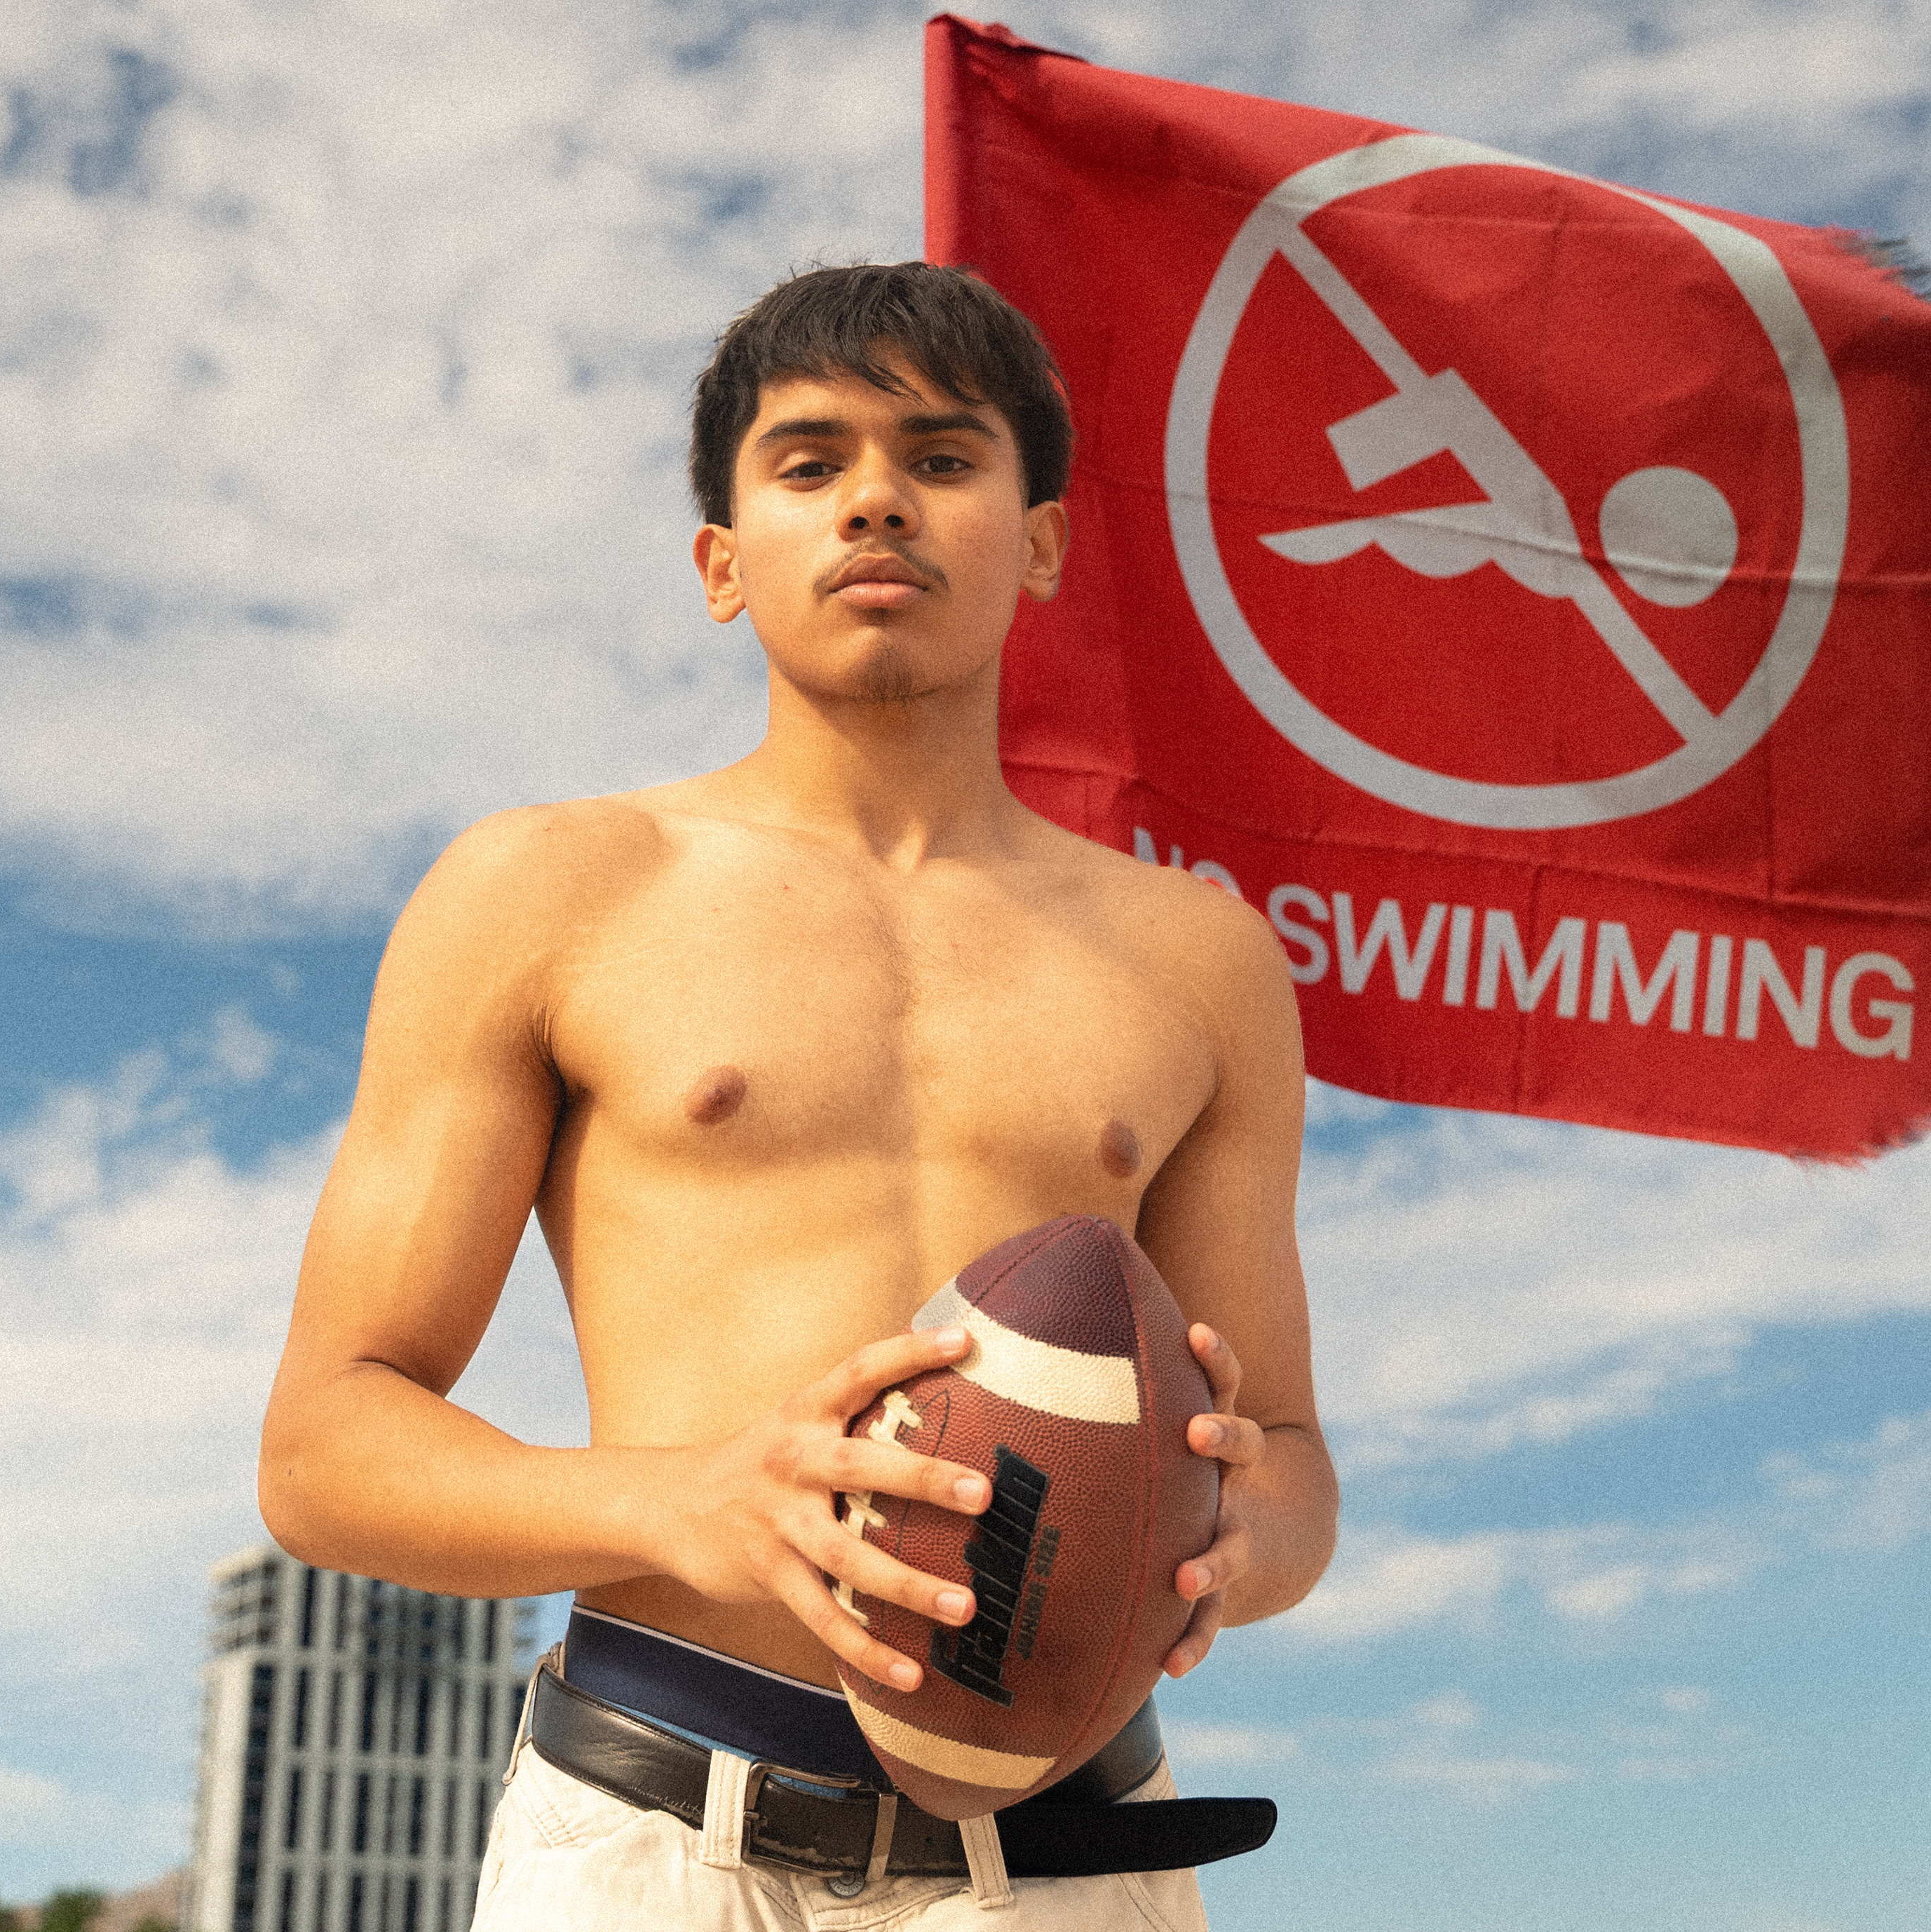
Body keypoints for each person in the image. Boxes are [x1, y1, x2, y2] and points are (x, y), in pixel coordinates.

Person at [259, 262, 1338, 1928]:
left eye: (945, 457)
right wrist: (691, 1501)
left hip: (1072, 1859)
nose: (879, 501)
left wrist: (1225, 1543)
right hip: (653, 1840)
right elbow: (326, 1447)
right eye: (812, 462)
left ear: (1039, 541)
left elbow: (1289, 1466)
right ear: (721, 561)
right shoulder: (549, 889)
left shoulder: (1202, 962)